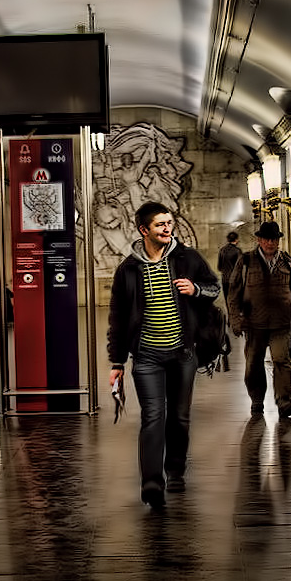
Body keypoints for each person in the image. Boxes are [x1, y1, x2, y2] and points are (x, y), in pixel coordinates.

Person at [106, 201, 220, 508]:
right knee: (153, 416)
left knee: (179, 417)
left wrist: (194, 289)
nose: (167, 228)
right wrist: (117, 361)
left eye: (169, 223)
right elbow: (117, 318)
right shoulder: (128, 269)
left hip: (183, 353)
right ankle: (152, 481)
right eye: (160, 224)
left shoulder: (188, 258)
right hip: (146, 357)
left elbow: (214, 288)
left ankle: (176, 470)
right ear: (144, 230)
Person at [227, 220, 291, 419]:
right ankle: (257, 399)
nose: (270, 243)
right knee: (253, 364)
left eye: (274, 239)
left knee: (281, 360)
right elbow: (234, 291)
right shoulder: (247, 260)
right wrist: (235, 319)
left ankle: (284, 401)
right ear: (259, 239)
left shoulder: (287, 261)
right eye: (267, 239)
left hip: (281, 322)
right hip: (254, 323)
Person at [216, 231, 242, 300]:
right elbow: (240, 267)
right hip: (235, 280)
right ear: (236, 239)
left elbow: (219, 267)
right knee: (236, 301)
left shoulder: (222, 250)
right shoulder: (237, 251)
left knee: (227, 300)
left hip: (225, 279)